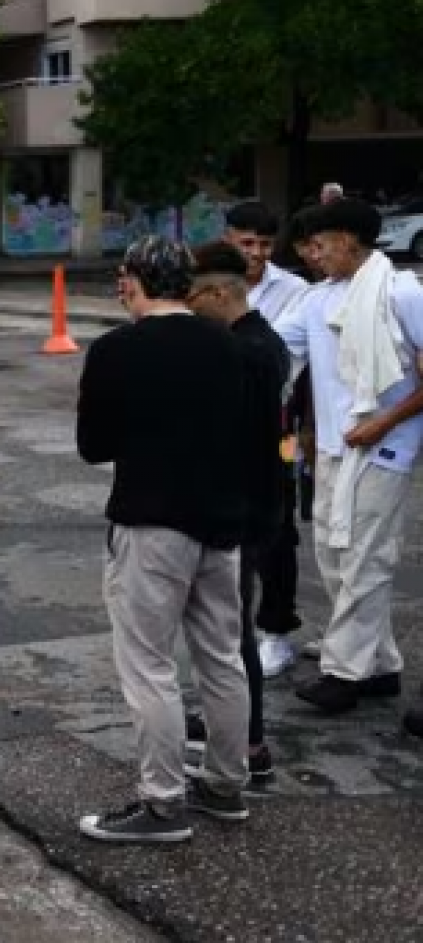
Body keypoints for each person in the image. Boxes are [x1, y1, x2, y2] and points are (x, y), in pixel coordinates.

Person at [76, 236, 254, 842]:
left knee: (149, 665)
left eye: (122, 279)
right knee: (221, 658)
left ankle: (162, 804)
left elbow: (94, 445)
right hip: (221, 521)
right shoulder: (229, 344)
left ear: (133, 281)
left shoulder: (116, 350)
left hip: (152, 519)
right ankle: (227, 787)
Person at [271, 199, 423, 740]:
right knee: (333, 555)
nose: (313, 255)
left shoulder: (400, 292)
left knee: (365, 556)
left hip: (385, 446)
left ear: (352, 239)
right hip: (334, 447)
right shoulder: (318, 299)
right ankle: (380, 665)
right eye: (307, 247)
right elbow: (271, 349)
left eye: (321, 243)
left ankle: (344, 672)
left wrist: (386, 423)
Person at [185, 241, 292, 787]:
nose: (189, 307)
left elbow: (239, 440)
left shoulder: (248, 350)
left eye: (193, 296)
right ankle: (225, 722)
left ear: (219, 293)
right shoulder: (255, 341)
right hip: (257, 502)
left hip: (247, 508)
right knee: (228, 626)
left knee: (232, 630)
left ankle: (251, 744)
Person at [224, 202, 311, 676]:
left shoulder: (295, 290)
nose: (256, 253)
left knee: (277, 528)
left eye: (263, 245)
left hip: (281, 427)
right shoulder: (210, 284)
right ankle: (225, 631)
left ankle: (276, 630)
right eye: (246, 243)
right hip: (222, 425)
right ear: (229, 239)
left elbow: (295, 361)